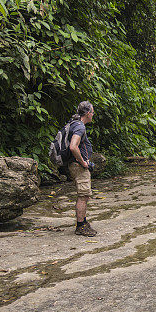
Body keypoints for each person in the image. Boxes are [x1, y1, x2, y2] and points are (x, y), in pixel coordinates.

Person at [67, 101, 97, 237]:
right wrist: (83, 163)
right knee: (83, 195)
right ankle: (81, 226)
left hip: (75, 164)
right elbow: (73, 146)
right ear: (88, 113)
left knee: (84, 195)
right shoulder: (80, 127)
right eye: (92, 112)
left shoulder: (74, 123)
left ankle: (83, 222)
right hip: (78, 166)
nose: (93, 114)